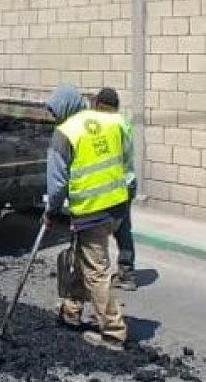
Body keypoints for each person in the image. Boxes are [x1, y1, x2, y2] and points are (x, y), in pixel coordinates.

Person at [43, 84, 131, 351]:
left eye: (55, 112)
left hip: (92, 210)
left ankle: (113, 333)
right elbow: (125, 157)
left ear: (64, 108)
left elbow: (56, 184)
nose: (54, 118)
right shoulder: (110, 121)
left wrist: (50, 211)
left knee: (96, 271)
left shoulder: (65, 133)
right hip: (117, 205)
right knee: (84, 258)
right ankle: (71, 311)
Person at [92, 88, 138, 291]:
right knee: (123, 228)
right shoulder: (123, 121)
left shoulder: (108, 125)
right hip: (128, 182)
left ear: (100, 105)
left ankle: (98, 274)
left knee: (98, 228)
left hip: (114, 184)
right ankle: (127, 274)